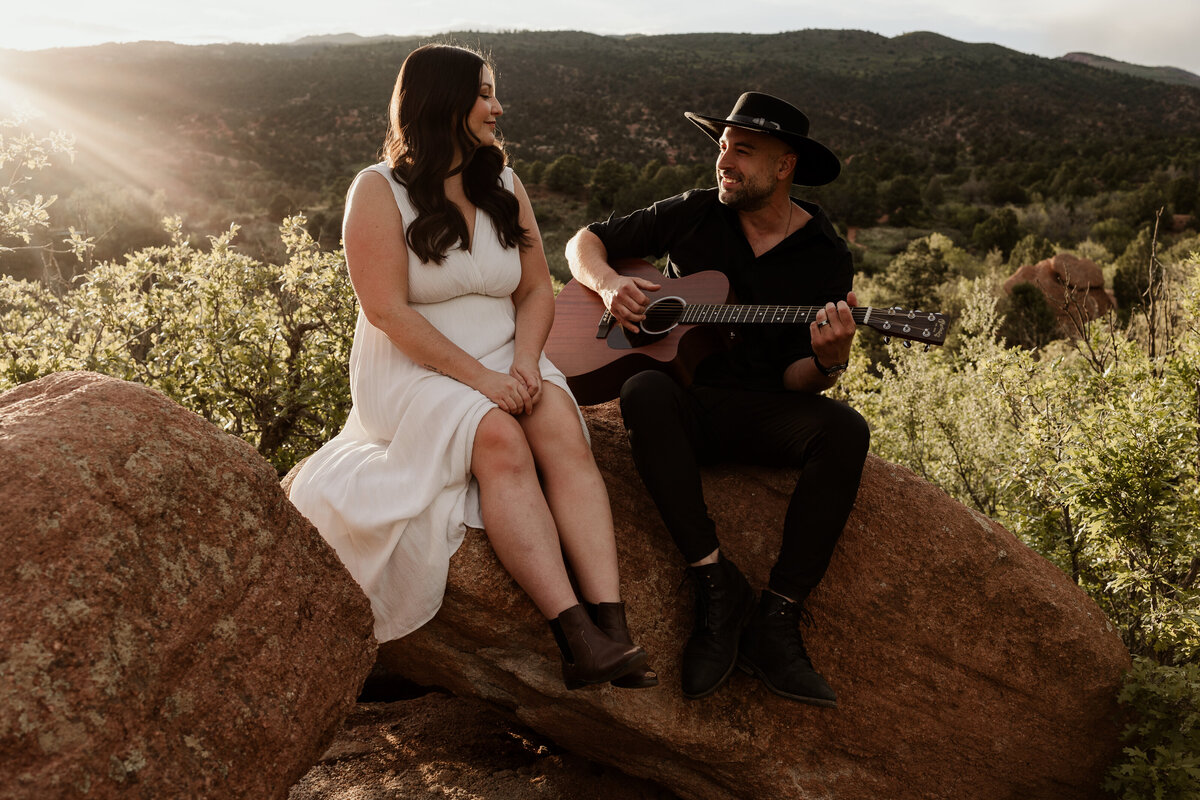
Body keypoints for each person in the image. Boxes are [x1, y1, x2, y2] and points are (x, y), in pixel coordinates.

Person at [289, 43, 654, 691]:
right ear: (443, 102)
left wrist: (523, 363)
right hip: (411, 370)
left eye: (493, 92)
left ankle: (613, 626)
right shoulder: (375, 190)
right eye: (485, 93)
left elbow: (537, 289)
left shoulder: (505, 185)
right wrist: (482, 382)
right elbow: (385, 312)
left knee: (562, 430)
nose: (498, 106)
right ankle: (574, 639)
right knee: (497, 436)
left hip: (507, 356)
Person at [564, 92, 869, 706]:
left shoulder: (825, 257)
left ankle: (777, 619)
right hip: (687, 404)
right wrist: (610, 284)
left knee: (846, 431)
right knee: (642, 386)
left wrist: (828, 365)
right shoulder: (697, 211)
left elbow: (793, 379)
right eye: (723, 146)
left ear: (785, 167)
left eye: (744, 151)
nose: (725, 159)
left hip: (762, 410)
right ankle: (713, 582)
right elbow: (583, 242)